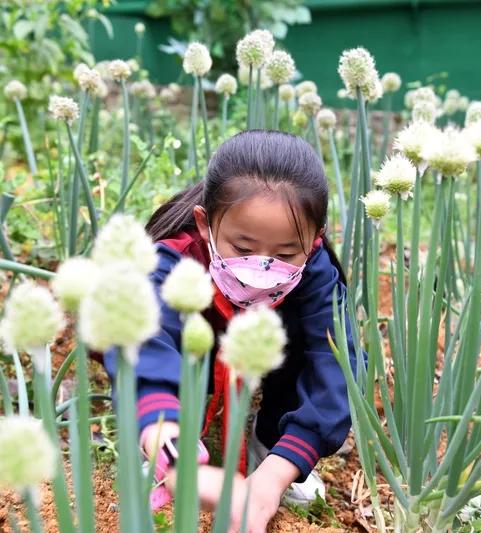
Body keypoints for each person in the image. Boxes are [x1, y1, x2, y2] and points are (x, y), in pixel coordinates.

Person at [100, 130, 362, 532]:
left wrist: (277, 474)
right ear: (205, 224)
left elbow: (334, 364)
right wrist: (170, 453)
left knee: (319, 343)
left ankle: (274, 440)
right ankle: (167, 437)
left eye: (286, 253)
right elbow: (141, 344)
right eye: (243, 248)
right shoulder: (169, 258)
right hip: (194, 358)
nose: (262, 267)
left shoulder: (316, 271)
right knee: (166, 335)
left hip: (270, 354)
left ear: (315, 240)